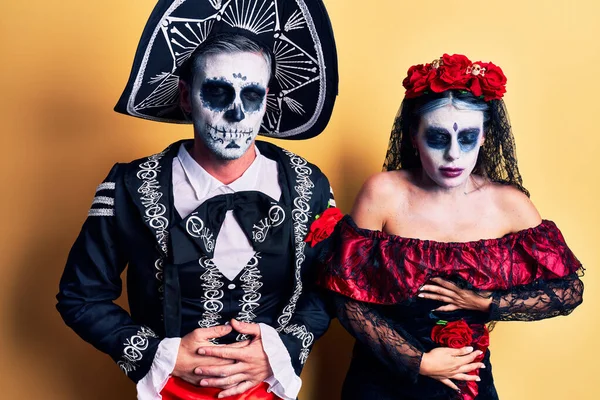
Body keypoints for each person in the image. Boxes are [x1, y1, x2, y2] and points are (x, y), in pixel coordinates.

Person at [56, 0, 338, 399]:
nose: (237, 114)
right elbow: (81, 296)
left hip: (269, 390)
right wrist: (160, 355)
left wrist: (280, 351)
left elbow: (328, 287)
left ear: (267, 99)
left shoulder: (308, 184)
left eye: (252, 95)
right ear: (187, 98)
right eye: (218, 93)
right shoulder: (130, 186)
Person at [319, 54, 584, 399]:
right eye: (438, 138)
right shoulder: (383, 192)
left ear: (487, 136)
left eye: (468, 138)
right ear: (413, 136)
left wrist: (487, 302)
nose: (454, 156)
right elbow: (345, 297)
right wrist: (419, 361)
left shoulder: (507, 203)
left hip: (466, 383)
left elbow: (568, 291)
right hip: (381, 383)